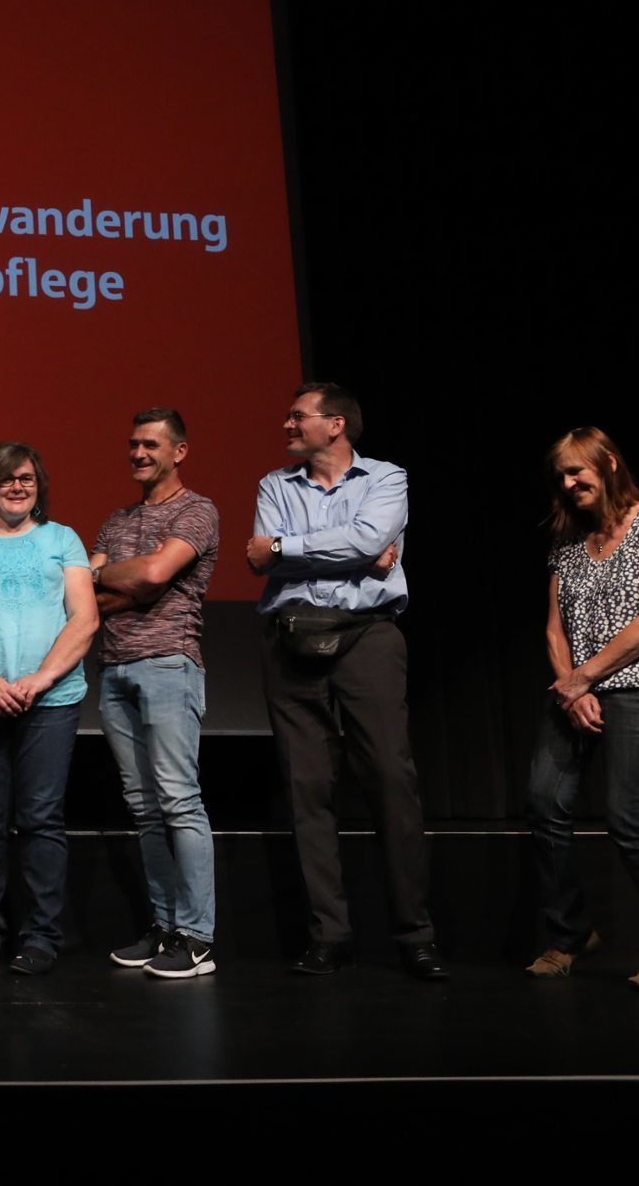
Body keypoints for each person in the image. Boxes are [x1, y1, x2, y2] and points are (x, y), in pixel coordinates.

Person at [248, 381, 446, 980]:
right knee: (306, 788)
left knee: (390, 778)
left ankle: (415, 935)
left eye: (298, 416)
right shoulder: (275, 485)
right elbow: (260, 557)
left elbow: (358, 539)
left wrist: (287, 547)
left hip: (368, 637)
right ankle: (329, 935)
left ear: (335, 424)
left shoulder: (385, 478)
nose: (287, 425)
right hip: (291, 638)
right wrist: (354, 552)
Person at [528, 427, 639, 990]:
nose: (568, 483)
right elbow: (554, 630)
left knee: (627, 815)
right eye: (560, 475)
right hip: (577, 691)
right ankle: (570, 933)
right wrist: (572, 687)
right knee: (544, 801)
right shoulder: (569, 546)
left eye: (576, 471)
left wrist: (585, 677)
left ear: (607, 464)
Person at [0, 442, 97, 976]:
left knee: (40, 819)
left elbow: (84, 619)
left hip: (50, 701)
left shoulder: (63, 539)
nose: (17, 487)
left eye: (26, 478)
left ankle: (40, 936)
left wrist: (40, 679)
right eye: (7, 478)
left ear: (39, 486)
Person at [89, 409, 221, 979]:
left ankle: (197, 937)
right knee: (144, 809)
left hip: (170, 664)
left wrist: (118, 575)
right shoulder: (116, 520)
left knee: (179, 801)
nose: (138, 453)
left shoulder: (197, 510)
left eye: (150, 444)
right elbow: (88, 593)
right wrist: (131, 578)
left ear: (179, 451)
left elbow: (154, 575)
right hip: (115, 669)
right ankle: (166, 926)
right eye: (133, 444)